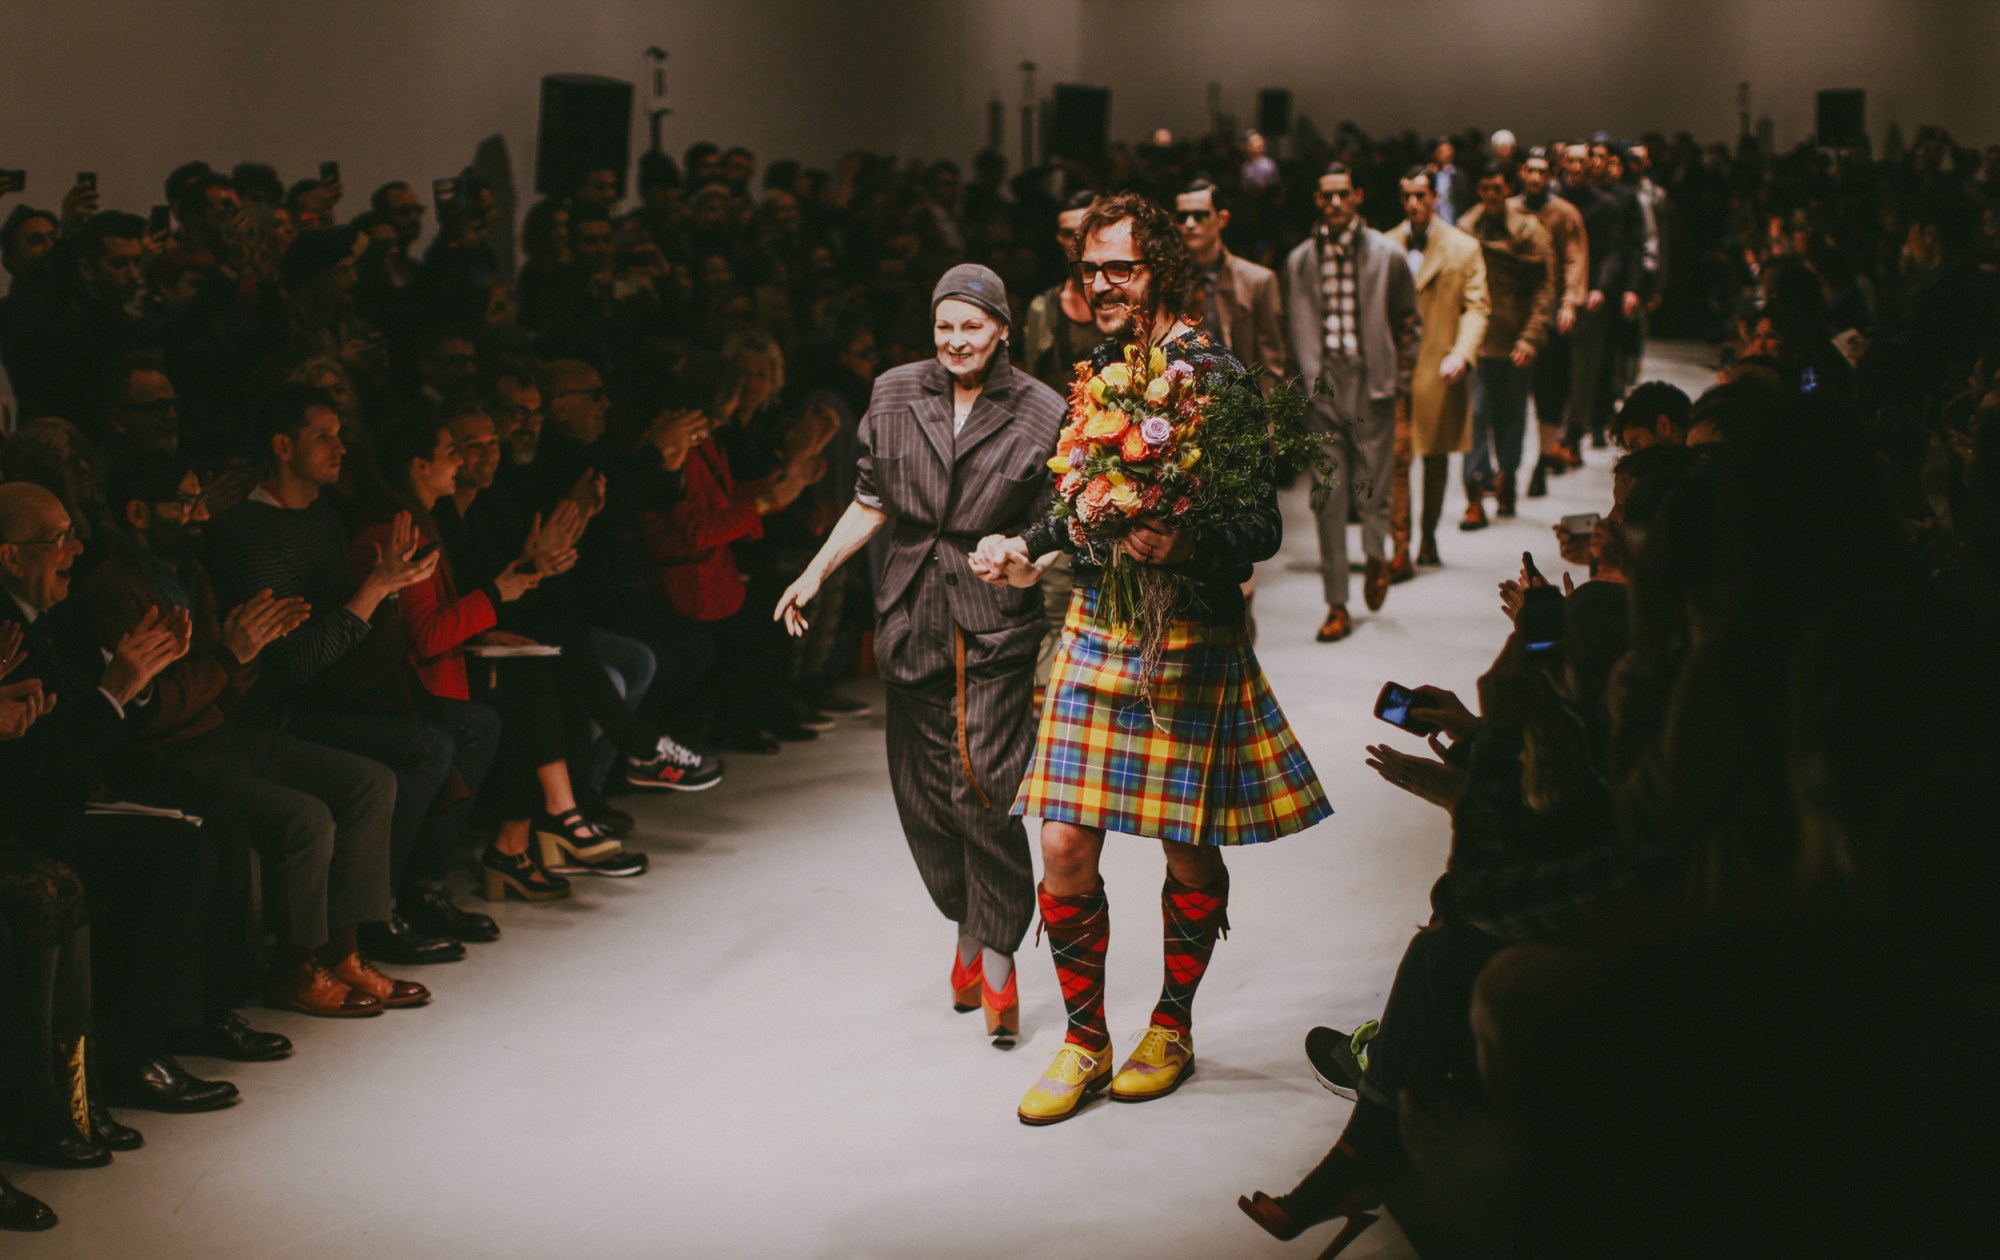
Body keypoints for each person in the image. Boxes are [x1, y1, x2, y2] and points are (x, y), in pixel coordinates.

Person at [976, 194, 1332, 1124]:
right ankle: (1084, 1040)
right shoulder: (1097, 373)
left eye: (1118, 269)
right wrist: (1031, 545)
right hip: (1100, 622)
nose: (1099, 284)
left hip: (1190, 635)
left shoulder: (1216, 377)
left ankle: (1170, 1022)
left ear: (1161, 272)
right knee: (1059, 839)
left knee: (1186, 843)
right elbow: (1075, 506)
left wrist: (1186, 545)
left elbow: (1259, 525)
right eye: (1090, 269)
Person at [776, 264, 1064, 1045]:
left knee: (984, 788)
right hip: (909, 612)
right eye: (944, 326)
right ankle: (968, 925)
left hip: (994, 624)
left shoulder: (1043, 411)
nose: (956, 341)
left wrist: (1023, 563)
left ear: (1002, 328)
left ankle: (996, 956)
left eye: (972, 326)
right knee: (921, 796)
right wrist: (813, 572)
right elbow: (872, 499)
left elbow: (1051, 534)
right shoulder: (896, 392)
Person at [1282, 162, 1418, 642]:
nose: (1335, 203)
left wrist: (1400, 379)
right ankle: (1336, 602)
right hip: (1322, 386)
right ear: (1317, 201)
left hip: (1372, 379)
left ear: (1358, 196)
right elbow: (1289, 328)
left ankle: (1377, 555)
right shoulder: (1299, 260)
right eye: (1326, 196)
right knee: (1328, 495)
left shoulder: (1387, 254)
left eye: (1342, 194)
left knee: (1373, 485)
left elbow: (1408, 320)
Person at [1387, 167, 1489, 569]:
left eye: (1420, 195)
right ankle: (1399, 547)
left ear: (1434, 198)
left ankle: (1427, 536)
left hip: (1440, 364)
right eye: (1407, 196)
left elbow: (1478, 306)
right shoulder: (1385, 244)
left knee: (1435, 456)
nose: (1413, 203)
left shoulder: (1463, 248)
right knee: (1396, 457)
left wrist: (1463, 353)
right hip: (1395, 369)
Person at [1457, 168, 1555, 527]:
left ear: (1508, 189)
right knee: (1476, 414)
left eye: (1496, 187)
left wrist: (1530, 338)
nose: (1490, 194)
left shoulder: (1529, 231)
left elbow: (1543, 290)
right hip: (1479, 342)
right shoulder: (1468, 227)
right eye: (1484, 187)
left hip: (1516, 341)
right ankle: (1476, 492)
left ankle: (1508, 477)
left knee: (1511, 417)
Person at [1513, 149, 1589, 498]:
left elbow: (1575, 259)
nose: (1535, 178)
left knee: (1548, 391)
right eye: (1530, 170)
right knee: (1512, 394)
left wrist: (1571, 302)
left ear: (1550, 174)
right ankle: (1508, 469)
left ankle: (1542, 462)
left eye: (1542, 172)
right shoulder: (1509, 210)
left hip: (1551, 312)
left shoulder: (1564, 213)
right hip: (1514, 314)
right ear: (1521, 172)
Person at [1174, 180, 1288, 382]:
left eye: (1200, 216)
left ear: (1222, 219)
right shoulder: (1169, 281)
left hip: (1241, 403)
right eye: (1183, 217)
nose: (1190, 224)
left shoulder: (1257, 281)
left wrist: (1265, 412)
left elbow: (1271, 366)